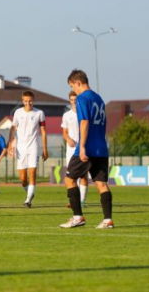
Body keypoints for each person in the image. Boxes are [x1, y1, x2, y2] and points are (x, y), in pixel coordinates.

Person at [60, 69, 114, 229]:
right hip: (101, 148)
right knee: (102, 184)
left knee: (69, 179)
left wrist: (82, 147)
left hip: (87, 148)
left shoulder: (82, 98)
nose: (73, 91)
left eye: (72, 86)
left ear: (78, 82)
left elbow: (84, 122)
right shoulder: (100, 99)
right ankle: (107, 220)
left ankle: (77, 217)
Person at [8, 91, 48, 208]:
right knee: (23, 179)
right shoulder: (18, 112)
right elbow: (13, 128)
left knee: (32, 172)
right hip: (21, 148)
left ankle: (28, 199)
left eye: (30, 101)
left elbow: (44, 131)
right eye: (25, 101)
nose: (28, 103)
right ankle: (29, 193)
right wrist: (10, 144)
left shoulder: (39, 113)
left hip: (33, 146)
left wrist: (45, 149)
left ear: (33, 100)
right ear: (22, 101)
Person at [61, 91, 89, 207]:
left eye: (76, 100)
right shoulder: (66, 115)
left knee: (83, 175)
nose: (74, 102)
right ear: (69, 100)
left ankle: (82, 201)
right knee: (72, 176)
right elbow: (64, 133)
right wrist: (68, 139)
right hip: (71, 150)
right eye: (72, 100)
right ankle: (75, 200)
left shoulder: (84, 113)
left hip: (83, 148)